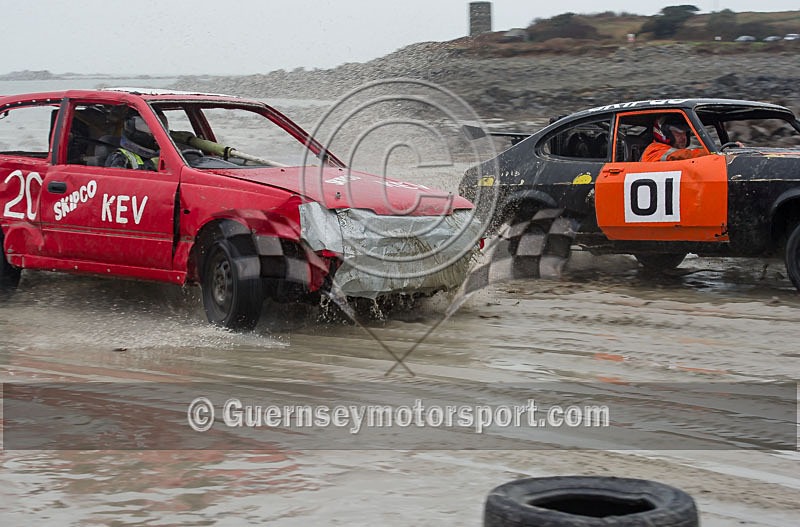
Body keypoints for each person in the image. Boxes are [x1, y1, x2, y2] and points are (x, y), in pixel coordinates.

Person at [641, 115, 709, 162]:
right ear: (665, 134)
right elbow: (681, 155)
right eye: (678, 133)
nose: (683, 138)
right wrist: (711, 152)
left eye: (685, 133)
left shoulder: (678, 154)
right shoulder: (654, 150)